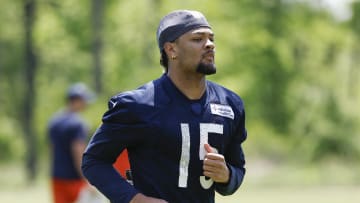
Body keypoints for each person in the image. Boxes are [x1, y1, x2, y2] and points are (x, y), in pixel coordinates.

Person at [82, 10, 247, 203]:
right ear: (171, 50)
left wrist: (226, 175)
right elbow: (93, 161)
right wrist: (136, 199)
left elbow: (237, 171)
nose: (209, 44)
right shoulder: (138, 105)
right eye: (197, 39)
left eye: (211, 38)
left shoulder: (229, 104)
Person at [48, 83, 94, 203]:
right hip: (75, 180)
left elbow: (52, 149)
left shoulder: (54, 121)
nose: (86, 104)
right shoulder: (78, 124)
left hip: (57, 178)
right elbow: (78, 152)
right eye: (84, 100)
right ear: (77, 100)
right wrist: (86, 179)